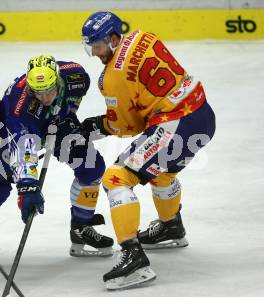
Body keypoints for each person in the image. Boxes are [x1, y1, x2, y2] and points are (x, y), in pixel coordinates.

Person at [80, 12, 216, 289]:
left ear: (113, 38)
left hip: (176, 125)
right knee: (160, 171)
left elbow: (127, 126)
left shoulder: (111, 78)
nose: (95, 53)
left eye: (97, 46)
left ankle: (133, 258)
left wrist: (98, 126)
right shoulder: (144, 36)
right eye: (91, 47)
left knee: (117, 177)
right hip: (203, 114)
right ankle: (170, 227)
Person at [0, 55, 114, 264]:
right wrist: (28, 186)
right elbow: (25, 148)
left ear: (58, 80)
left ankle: (81, 227)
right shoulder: (20, 107)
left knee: (91, 166)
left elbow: (71, 102)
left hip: (53, 127)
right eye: (38, 93)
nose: (44, 98)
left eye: (50, 91)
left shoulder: (77, 76)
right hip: (8, 137)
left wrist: (65, 119)